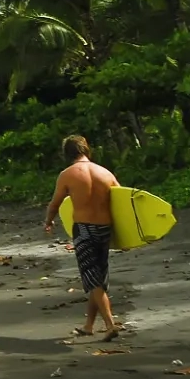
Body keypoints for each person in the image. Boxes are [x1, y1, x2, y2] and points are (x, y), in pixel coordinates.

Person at [44, 134, 120, 340]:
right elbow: (122, 204)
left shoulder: (68, 174)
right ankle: (88, 326)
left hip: (84, 229)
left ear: (67, 153)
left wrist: (49, 221)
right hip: (105, 228)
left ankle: (111, 325)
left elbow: (55, 203)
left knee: (92, 278)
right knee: (98, 277)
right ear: (86, 150)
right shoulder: (105, 173)